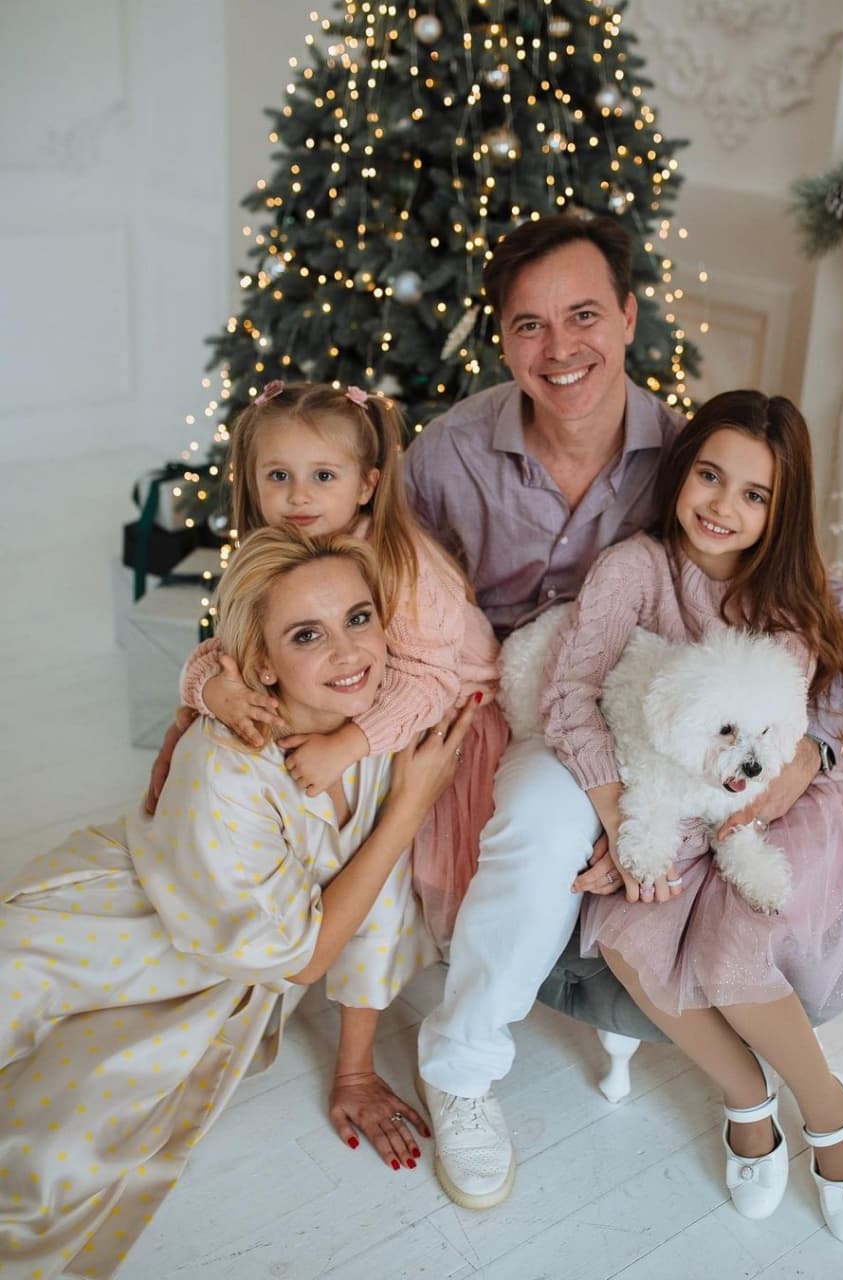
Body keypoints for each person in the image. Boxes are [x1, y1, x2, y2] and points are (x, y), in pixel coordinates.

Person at [404, 214, 843, 1210]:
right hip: (538, 705)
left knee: (723, 866)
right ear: (501, 338)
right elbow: (384, 581)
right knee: (538, 821)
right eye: (528, 324)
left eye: (582, 315)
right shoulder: (448, 455)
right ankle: (461, 1069)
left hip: (668, 727)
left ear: (628, 316)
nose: (558, 347)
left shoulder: (693, 458)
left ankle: (789, 1094)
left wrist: (806, 755)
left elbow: (814, 620)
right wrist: (617, 815)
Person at [0, 529, 476, 1276]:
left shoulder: (381, 725)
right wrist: (410, 810)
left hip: (215, 972)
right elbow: (306, 958)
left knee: (58, 1150)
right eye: (307, 635)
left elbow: (374, 903)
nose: (349, 652)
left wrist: (354, 1072)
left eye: (358, 618)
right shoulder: (226, 766)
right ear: (261, 665)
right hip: (113, 933)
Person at [540, 390, 843, 1243]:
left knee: (735, 944)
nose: (722, 506)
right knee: (629, 937)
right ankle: (748, 1099)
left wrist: (808, 756)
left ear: (780, 510)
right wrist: (618, 819)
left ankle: (831, 1114)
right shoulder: (635, 571)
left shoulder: (793, 585)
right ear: (682, 470)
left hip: (782, 804)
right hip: (667, 802)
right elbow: (569, 694)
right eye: (710, 476)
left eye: (755, 494)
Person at [150, 381, 507, 1159]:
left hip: (452, 711)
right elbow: (223, 644)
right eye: (277, 476)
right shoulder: (276, 557)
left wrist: (350, 744)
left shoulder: (401, 561)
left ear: (368, 484)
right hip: (359, 709)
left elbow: (432, 679)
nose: (298, 497)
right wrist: (209, 688)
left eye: (322, 476)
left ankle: (427, 1039)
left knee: (409, 877)